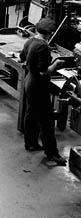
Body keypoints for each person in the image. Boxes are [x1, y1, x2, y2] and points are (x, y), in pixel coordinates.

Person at [19, 18, 66, 165]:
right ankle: (52, 153)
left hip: (28, 82)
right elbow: (43, 72)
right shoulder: (43, 47)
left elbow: (22, 58)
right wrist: (56, 64)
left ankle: (31, 143)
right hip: (38, 85)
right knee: (47, 121)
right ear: (49, 33)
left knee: (31, 114)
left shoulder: (30, 41)